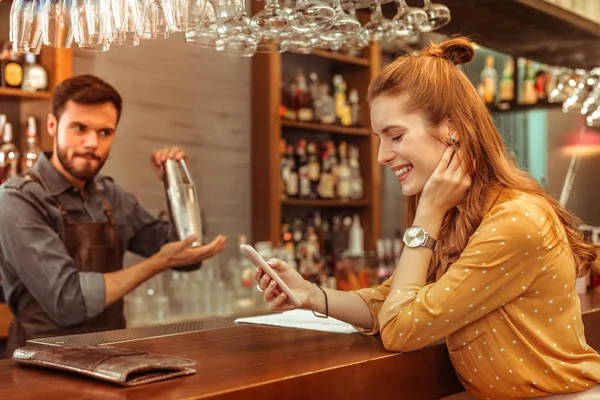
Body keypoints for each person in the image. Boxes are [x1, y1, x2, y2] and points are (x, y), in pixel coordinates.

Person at [253, 37, 600, 399]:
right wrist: (310, 294)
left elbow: (400, 327)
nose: (382, 156)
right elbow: (393, 303)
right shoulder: (462, 215)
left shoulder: (515, 219)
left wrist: (427, 215)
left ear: (451, 128)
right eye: (378, 139)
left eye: (396, 136)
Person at [0, 75, 226, 356]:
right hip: (39, 370)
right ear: (52, 126)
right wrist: (157, 263)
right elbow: (68, 301)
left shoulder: (110, 196)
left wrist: (175, 183)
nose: (92, 143)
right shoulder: (18, 198)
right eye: (79, 128)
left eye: (104, 132)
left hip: (110, 360)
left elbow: (188, 255)